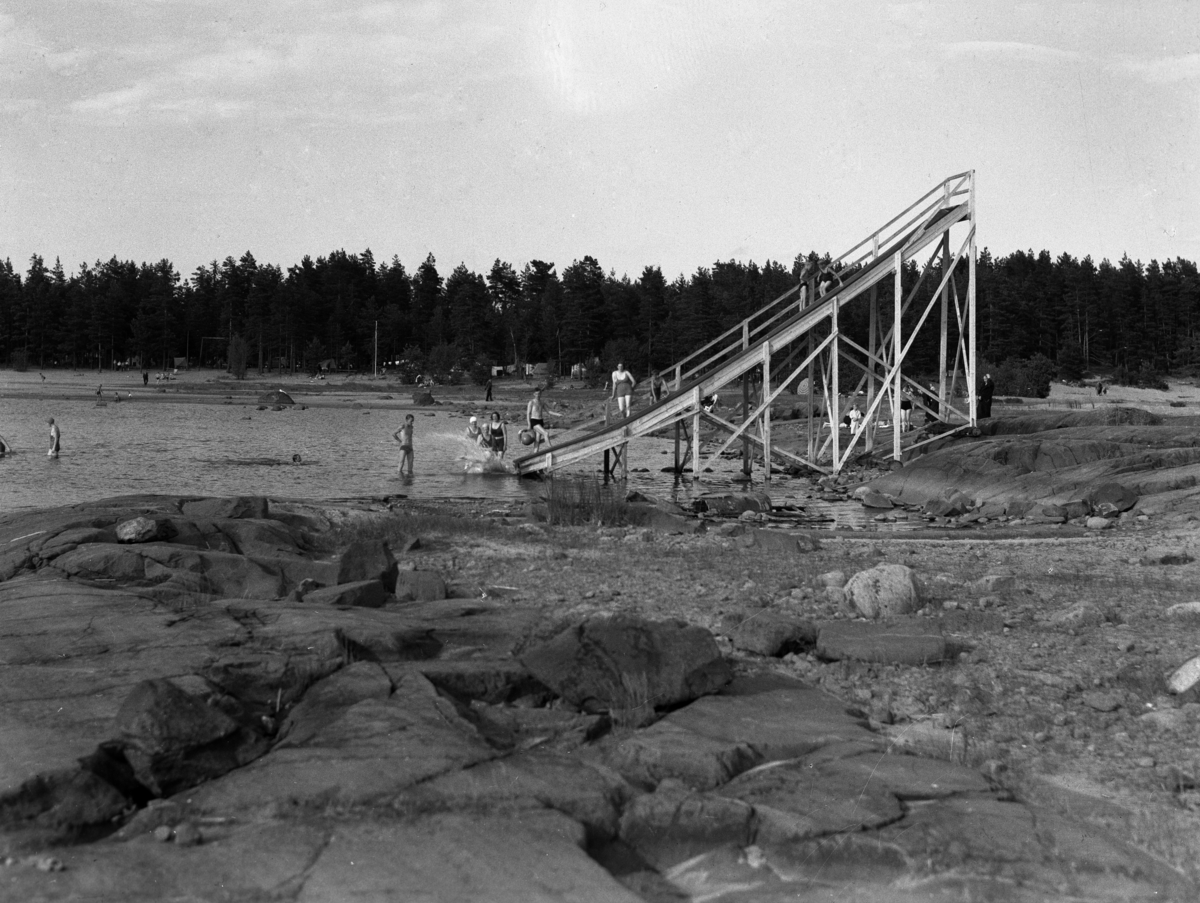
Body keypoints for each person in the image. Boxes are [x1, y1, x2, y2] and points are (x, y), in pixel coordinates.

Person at [526, 387, 556, 453]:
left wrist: (557, 414)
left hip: (540, 421)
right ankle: (551, 449)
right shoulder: (531, 402)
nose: (538, 395)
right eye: (536, 394)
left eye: (539, 394)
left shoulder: (542, 402)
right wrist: (529, 424)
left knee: (537, 441)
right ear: (534, 394)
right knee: (546, 433)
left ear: (541, 394)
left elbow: (548, 411)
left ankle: (535, 454)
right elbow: (528, 413)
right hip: (534, 421)